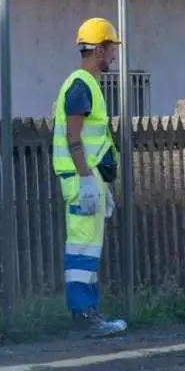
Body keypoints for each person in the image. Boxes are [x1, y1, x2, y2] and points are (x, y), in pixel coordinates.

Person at [52, 18, 127, 337]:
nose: (113, 56)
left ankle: (89, 313)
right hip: (81, 179)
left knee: (89, 247)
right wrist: (85, 179)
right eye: (111, 49)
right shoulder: (81, 84)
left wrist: (99, 182)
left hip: (88, 178)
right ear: (99, 49)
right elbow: (73, 136)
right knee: (82, 248)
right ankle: (83, 316)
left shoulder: (85, 84)